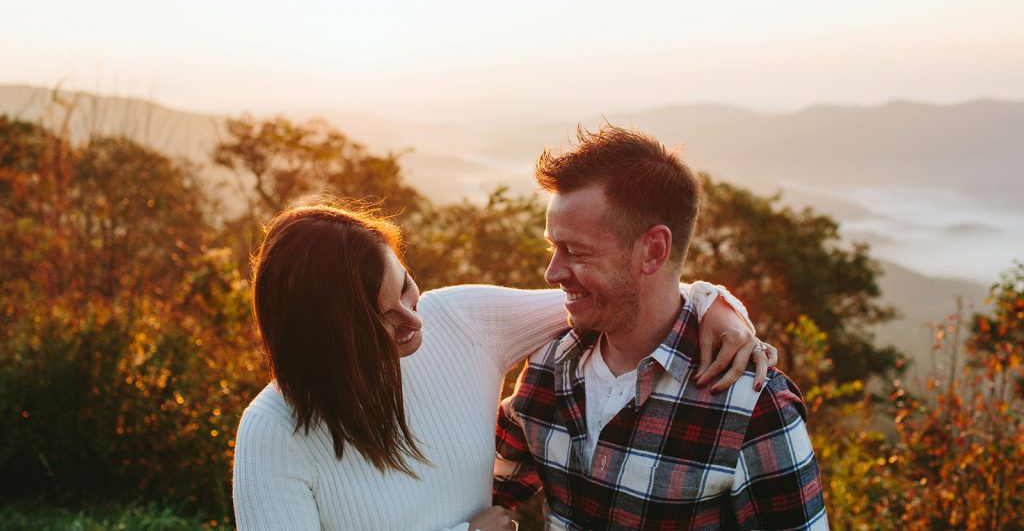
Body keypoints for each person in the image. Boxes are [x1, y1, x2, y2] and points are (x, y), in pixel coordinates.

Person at [232, 201, 774, 531]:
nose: (414, 323)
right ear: (327, 338)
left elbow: (625, 295)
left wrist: (715, 305)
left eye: (406, 288)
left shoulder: (461, 319)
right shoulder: (273, 432)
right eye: (382, 322)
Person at [494, 125, 827, 530]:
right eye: (553, 247)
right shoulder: (549, 366)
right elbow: (484, 486)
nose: (552, 273)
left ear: (653, 250)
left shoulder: (751, 405)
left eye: (576, 252)